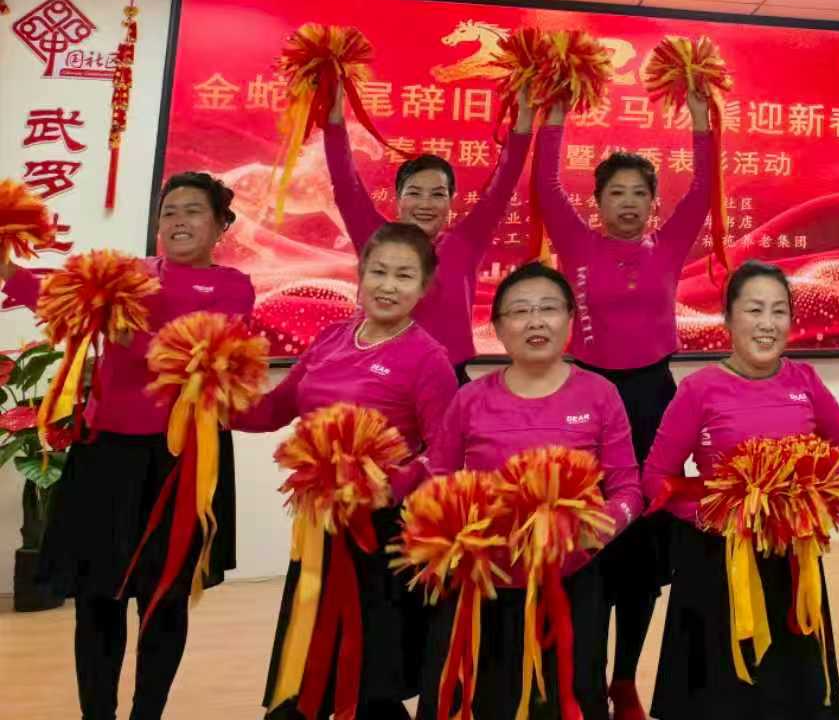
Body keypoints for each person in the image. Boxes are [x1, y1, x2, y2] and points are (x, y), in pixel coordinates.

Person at [1, 171, 254, 720]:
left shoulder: (233, 286)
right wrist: (7, 268)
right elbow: (58, 296)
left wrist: (131, 336)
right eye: (169, 212)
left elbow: (199, 354)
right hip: (106, 454)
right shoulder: (127, 275)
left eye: (193, 211)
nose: (178, 220)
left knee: (163, 598)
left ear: (220, 226)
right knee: (97, 599)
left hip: (182, 460)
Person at [533, 91, 711, 720]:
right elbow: (545, 185)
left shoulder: (669, 246)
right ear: (599, 202)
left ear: (653, 201)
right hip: (586, 400)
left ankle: (625, 678)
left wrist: (700, 118)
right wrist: (554, 113)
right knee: (589, 544)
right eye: (616, 193)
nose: (628, 203)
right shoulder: (578, 246)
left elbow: (704, 189)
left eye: (639, 193)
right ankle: (583, 677)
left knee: (643, 553)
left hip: (654, 404)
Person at [234, 222, 457, 720]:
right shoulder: (331, 338)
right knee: (307, 663)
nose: (388, 285)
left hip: (380, 531)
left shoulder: (428, 359)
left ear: (424, 287)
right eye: (378, 272)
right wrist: (210, 398)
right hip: (317, 525)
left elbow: (445, 455)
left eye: (404, 276)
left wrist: (388, 486)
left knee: (370, 679)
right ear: (360, 274)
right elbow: (274, 409)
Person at [644, 261, 839, 718]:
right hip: (720, 566)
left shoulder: (805, 381)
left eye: (779, 311)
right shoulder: (699, 390)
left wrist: (821, 497)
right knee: (725, 697)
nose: (767, 324)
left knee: (794, 692)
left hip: (793, 563)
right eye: (754, 310)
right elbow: (656, 478)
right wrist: (712, 514)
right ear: (727, 317)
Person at [423, 262, 642, 718]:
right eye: (520, 311)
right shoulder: (470, 399)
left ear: (570, 319)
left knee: (572, 697)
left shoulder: (600, 394)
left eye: (548, 308)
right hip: (488, 581)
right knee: (491, 698)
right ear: (499, 328)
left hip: (574, 579)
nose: (535, 321)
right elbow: (438, 481)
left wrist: (597, 530)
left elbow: (628, 490)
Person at [323, 82, 533, 377]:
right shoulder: (375, 237)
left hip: (448, 376)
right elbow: (346, 185)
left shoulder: (466, 242)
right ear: (398, 198)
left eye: (437, 194)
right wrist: (333, 118)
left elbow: (503, 184)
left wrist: (524, 120)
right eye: (414, 193)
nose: (425, 204)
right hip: (379, 375)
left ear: (451, 200)